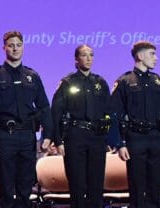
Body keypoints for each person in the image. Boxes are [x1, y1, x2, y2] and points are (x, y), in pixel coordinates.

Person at [0, 30, 54, 208]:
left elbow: (44, 107)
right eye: (11, 45)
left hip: (28, 137)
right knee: (6, 188)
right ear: (4, 48)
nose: (15, 49)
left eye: (18, 45)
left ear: (23, 47)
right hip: (5, 137)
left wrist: (47, 135)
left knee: (26, 188)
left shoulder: (32, 76)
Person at [111, 41, 160, 208]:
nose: (156, 58)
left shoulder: (159, 81)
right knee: (137, 188)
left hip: (157, 138)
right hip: (135, 138)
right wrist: (119, 144)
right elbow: (114, 114)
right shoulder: (125, 81)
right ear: (140, 56)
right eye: (152, 54)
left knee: (156, 187)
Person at [51, 44, 111, 208]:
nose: (89, 58)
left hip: (97, 137)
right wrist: (58, 141)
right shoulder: (68, 82)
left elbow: (109, 111)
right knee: (77, 185)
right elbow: (56, 112)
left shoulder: (100, 82)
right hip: (75, 135)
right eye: (84, 55)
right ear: (76, 60)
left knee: (96, 185)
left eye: (91, 55)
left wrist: (110, 139)